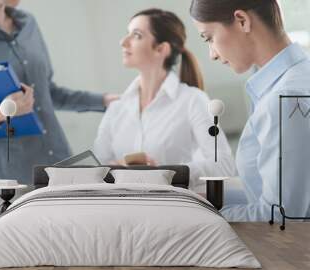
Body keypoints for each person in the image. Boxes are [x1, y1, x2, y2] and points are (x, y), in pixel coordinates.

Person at [0, 0, 118, 221]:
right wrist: (0, 114)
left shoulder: (28, 23)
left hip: (59, 169)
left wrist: (103, 101)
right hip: (7, 181)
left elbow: (47, 92)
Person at [190, 0, 310, 221]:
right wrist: (203, 200)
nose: (212, 54)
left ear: (242, 21)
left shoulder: (283, 100)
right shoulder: (294, 80)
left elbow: (280, 218)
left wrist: (203, 216)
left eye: (209, 38)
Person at [93, 8, 235, 190]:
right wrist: (120, 168)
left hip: (172, 208)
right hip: (121, 207)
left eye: (136, 35)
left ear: (161, 49)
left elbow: (223, 164)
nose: (123, 42)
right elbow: (96, 169)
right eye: (127, 34)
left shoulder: (193, 100)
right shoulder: (116, 109)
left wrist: (164, 174)